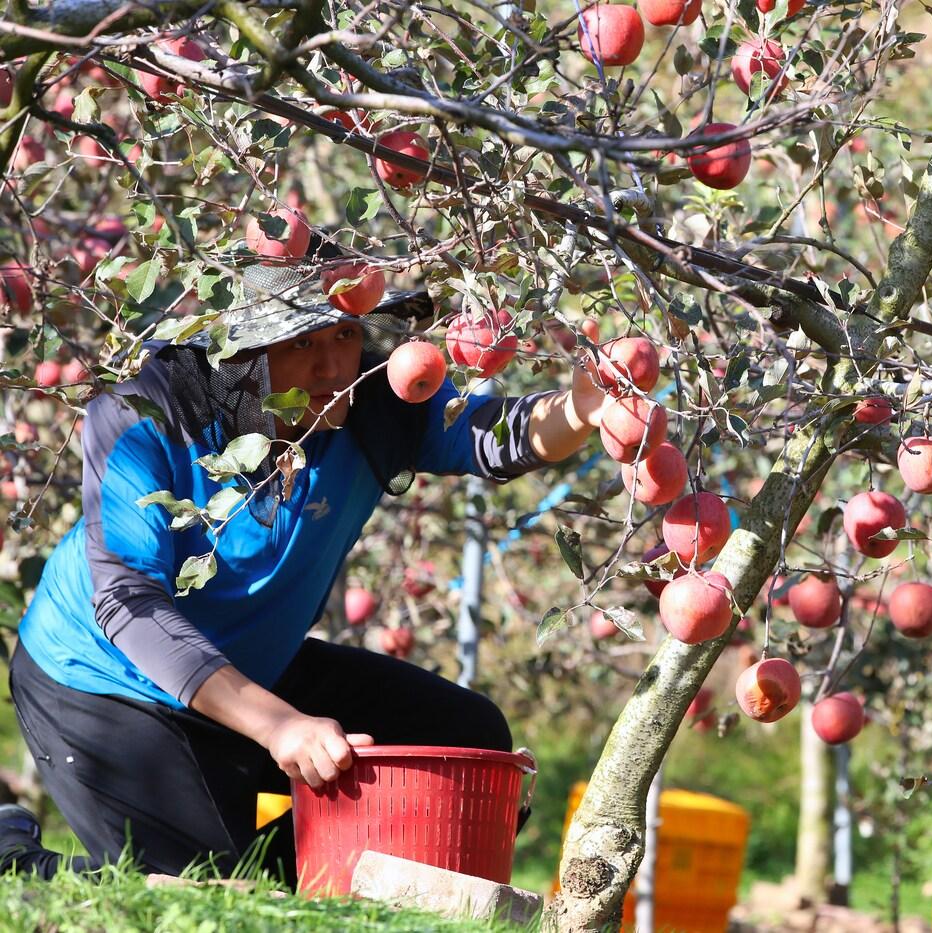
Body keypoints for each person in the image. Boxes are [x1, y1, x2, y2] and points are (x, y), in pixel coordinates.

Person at [0, 261, 606, 884]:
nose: (332, 367)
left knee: (468, 744)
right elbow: (129, 602)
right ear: (240, 356)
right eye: (301, 344)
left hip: (255, 668)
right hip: (104, 683)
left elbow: (486, 435)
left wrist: (582, 410)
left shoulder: (375, 404)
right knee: (217, 895)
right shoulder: (150, 417)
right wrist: (281, 726)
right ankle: (15, 864)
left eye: (345, 336)